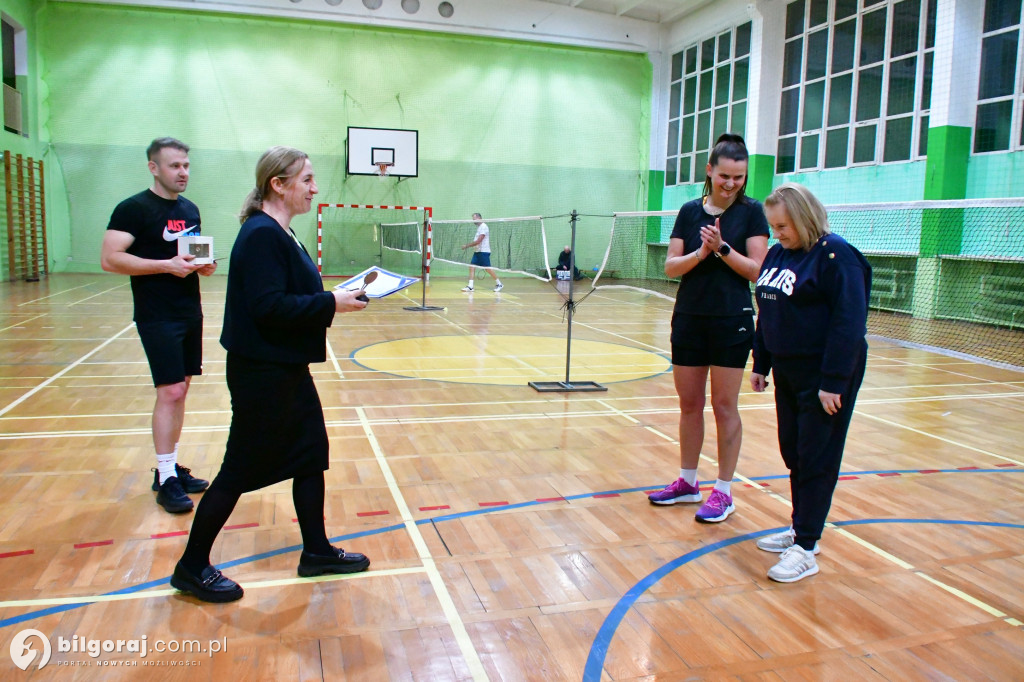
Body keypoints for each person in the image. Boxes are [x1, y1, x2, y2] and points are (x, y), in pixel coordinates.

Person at [170, 147, 371, 603]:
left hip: (285, 367)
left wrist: (333, 296)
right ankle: (191, 566)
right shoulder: (261, 234)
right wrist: (331, 303)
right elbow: (267, 306)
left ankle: (316, 551)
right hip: (262, 372)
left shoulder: (281, 231)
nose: (315, 188)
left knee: (310, 454)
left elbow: (287, 295)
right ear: (278, 184)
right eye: (307, 180)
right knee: (238, 470)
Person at [750, 183, 871, 582]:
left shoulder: (837, 257)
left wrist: (833, 381)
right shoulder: (778, 254)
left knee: (817, 456)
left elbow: (848, 324)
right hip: (788, 370)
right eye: (773, 227)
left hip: (825, 376)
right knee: (794, 452)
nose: (778, 233)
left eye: (783, 226)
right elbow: (766, 311)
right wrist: (761, 362)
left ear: (804, 217)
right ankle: (801, 530)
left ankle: (806, 545)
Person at [648, 133, 769, 523]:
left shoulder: (752, 213)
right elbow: (670, 267)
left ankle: (724, 490)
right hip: (689, 319)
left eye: (739, 177)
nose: (732, 184)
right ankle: (687, 482)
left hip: (731, 321)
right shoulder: (688, 212)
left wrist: (722, 249)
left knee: (723, 406)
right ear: (709, 171)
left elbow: (758, 272)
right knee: (689, 405)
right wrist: (700, 252)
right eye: (725, 176)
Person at [101, 137, 215, 514]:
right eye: (174, 166)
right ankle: (165, 476)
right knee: (169, 393)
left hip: (188, 310)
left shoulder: (190, 208)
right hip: (156, 313)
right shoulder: (133, 209)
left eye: (185, 165)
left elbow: (194, 252)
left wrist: (204, 264)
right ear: (154, 167)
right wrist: (165, 265)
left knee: (180, 390)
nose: (182, 173)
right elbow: (110, 258)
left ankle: (170, 468)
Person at [460, 212, 502, 292]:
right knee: (471, 266)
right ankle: (470, 286)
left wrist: (467, 246)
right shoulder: (479, 228)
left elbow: (479, 241)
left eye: (474, 219)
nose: (473, 221)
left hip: (483, 251)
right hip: (477, 251)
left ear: (479, 218)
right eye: (473, 220)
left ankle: (499, 284)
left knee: (488, 269)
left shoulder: (484, 227)